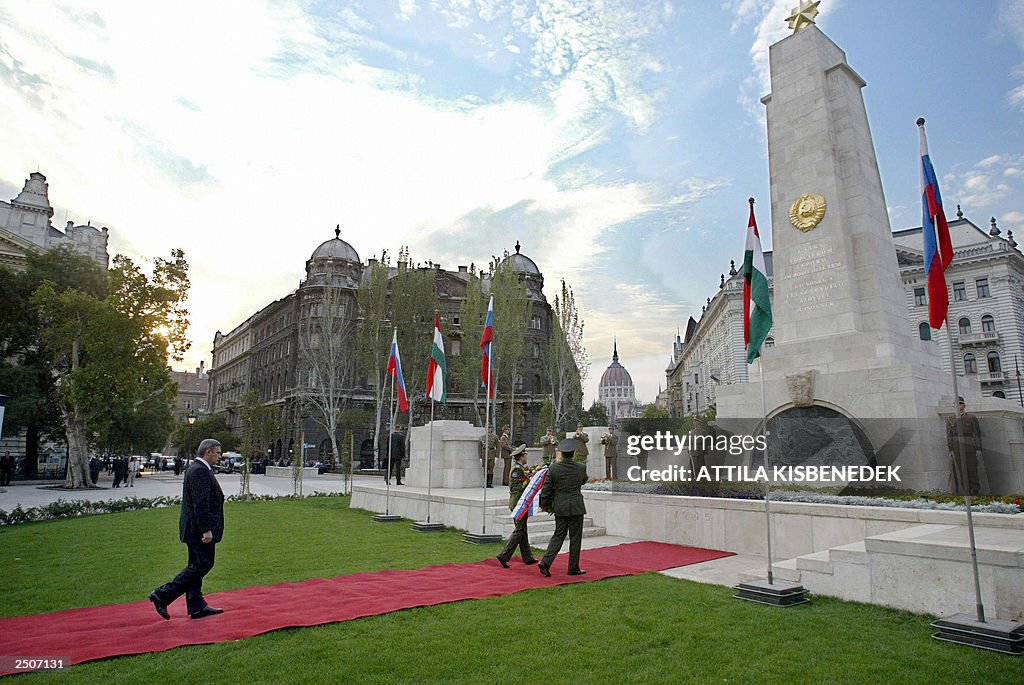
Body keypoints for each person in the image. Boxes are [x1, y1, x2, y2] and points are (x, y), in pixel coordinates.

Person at [149, 438, 226, 620]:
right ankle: (163, 594)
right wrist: (206, 529)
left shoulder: (197, 468)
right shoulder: (200, 471)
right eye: (218, 453)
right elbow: (200, 503)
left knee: (196, 565)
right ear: (208, 451)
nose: (219, 457)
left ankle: (196, 605)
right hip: (198, 529)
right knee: (203, 564)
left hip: (193, 527)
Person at [538, 438, 589, 577]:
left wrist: (545, 505)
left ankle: (546, 562)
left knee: (558, 535)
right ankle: (573, 568)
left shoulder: (554, 468)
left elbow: (546, 489)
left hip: (560, 506)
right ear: (573, 453)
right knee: (575, 537)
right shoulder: (580, 467)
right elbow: (583, 480)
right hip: (576, 506)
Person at [496, 446, 539, 568]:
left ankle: (527, 557)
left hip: (520, 503)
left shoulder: (520, 468)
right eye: (525, 455)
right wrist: (529, 482)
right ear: (522, 456)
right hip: (518, 504)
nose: (527, 457)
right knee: (519, 530)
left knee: (522, 530)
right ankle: (504, 555)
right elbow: (516, 488)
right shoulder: (516, 470)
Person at [947, 396, 983, 495]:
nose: (958, 406)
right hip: (957, 447)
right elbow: (949, 435)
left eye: (960, 404)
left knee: (972, 468)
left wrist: (979, 447)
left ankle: (975, 490)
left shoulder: (971, 417)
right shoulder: (950, 419)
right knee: (961, 469)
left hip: (970, 446)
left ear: (964, 405)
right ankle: (966, 491)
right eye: (956, 404)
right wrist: (950, 449)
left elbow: (977, 433)